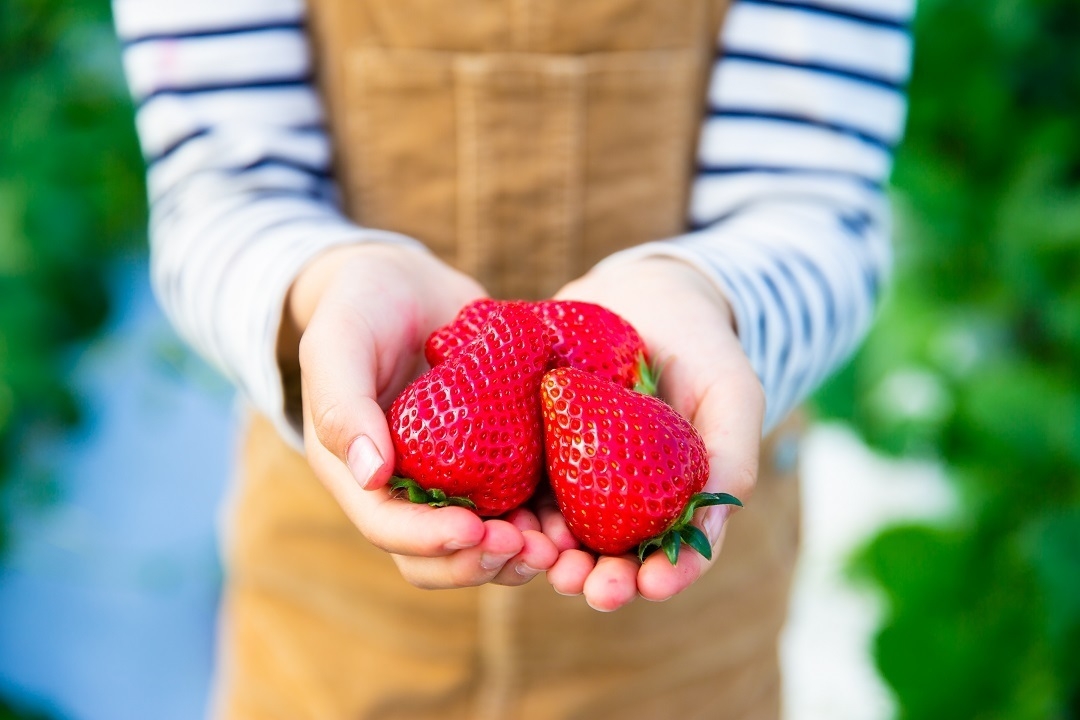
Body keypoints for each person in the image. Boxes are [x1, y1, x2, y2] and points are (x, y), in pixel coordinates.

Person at [114, 0, 914, 717]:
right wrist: (325, 287)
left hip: (687, 592)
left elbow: (818, 199)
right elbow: (214, 189)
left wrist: (709, 295)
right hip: (336, 560)